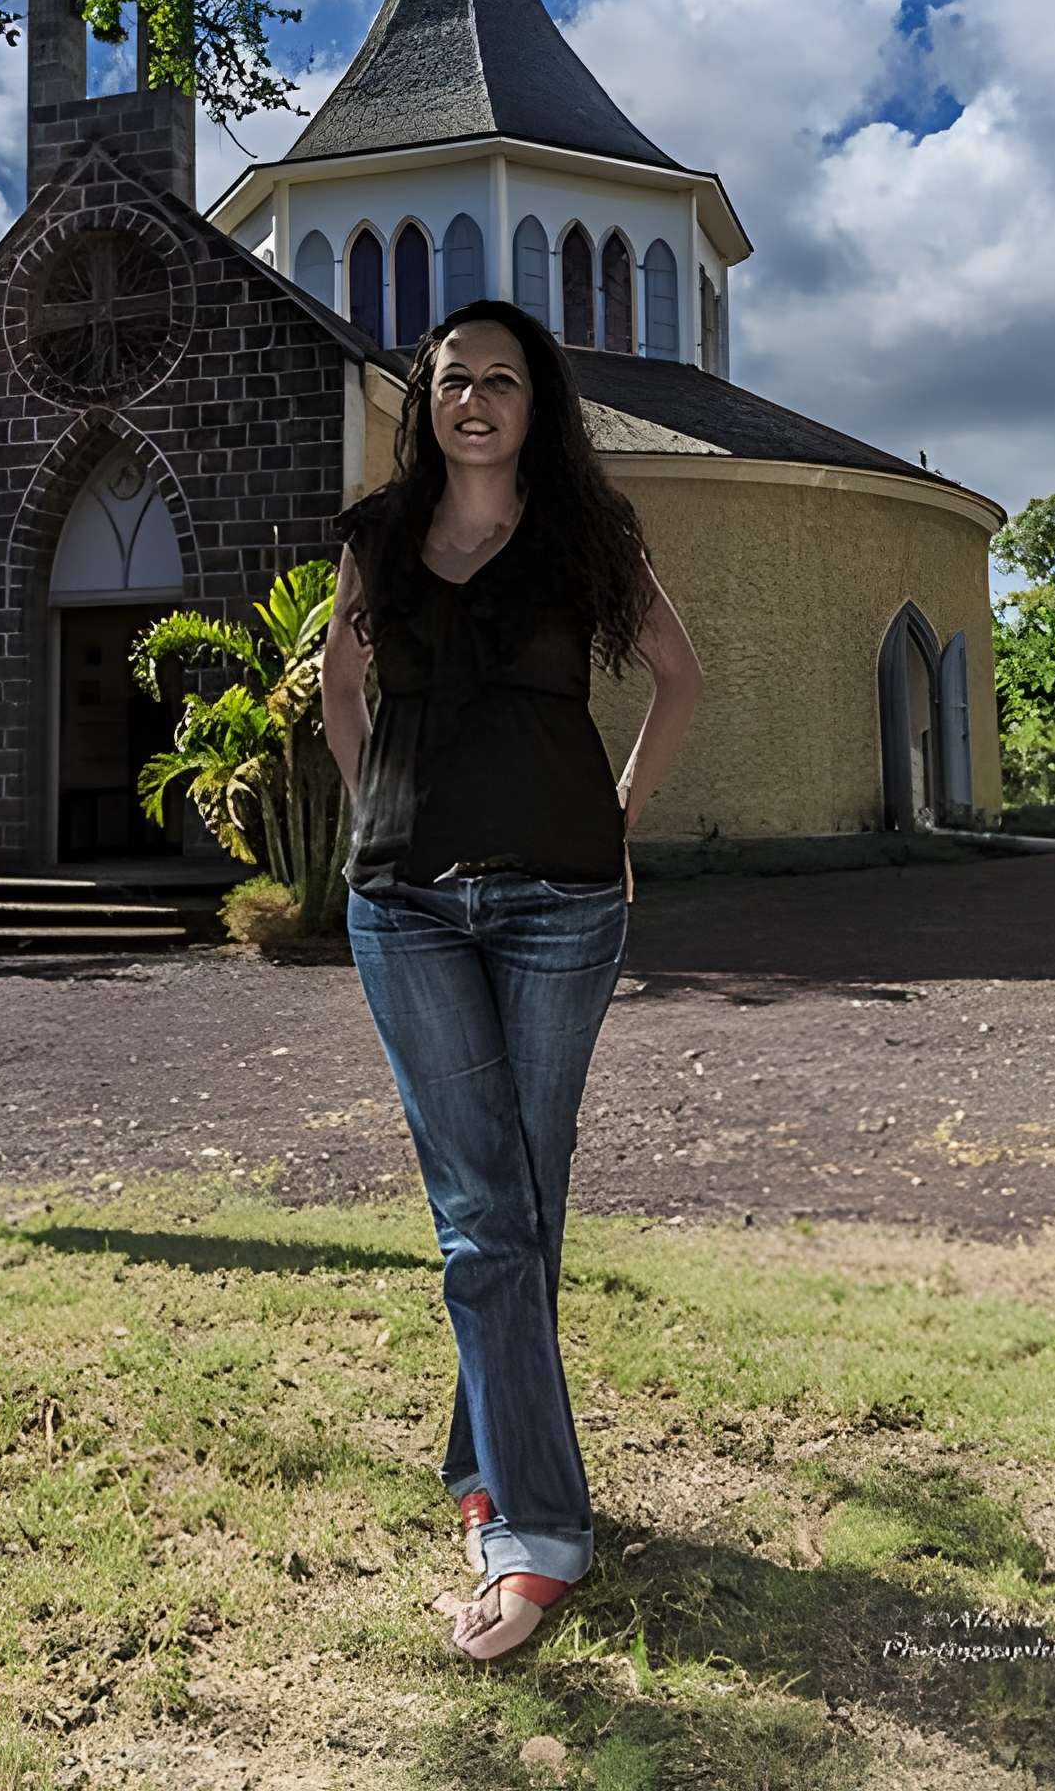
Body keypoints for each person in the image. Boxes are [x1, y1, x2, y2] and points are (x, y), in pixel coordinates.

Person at [319, 297, 705, 1661]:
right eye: (450, 381)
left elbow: (679, 680)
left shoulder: (589, 534)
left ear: (536, 402)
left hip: (562, 903)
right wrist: (374, 811)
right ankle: (538, 1531)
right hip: (406, 906)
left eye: (499, 379)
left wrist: (618, 818)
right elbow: (340, 690)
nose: (472, 399)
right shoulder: (377, 538)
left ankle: (482, 1465)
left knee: (525, 1199)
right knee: (484, 1211)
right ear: (425, 404)